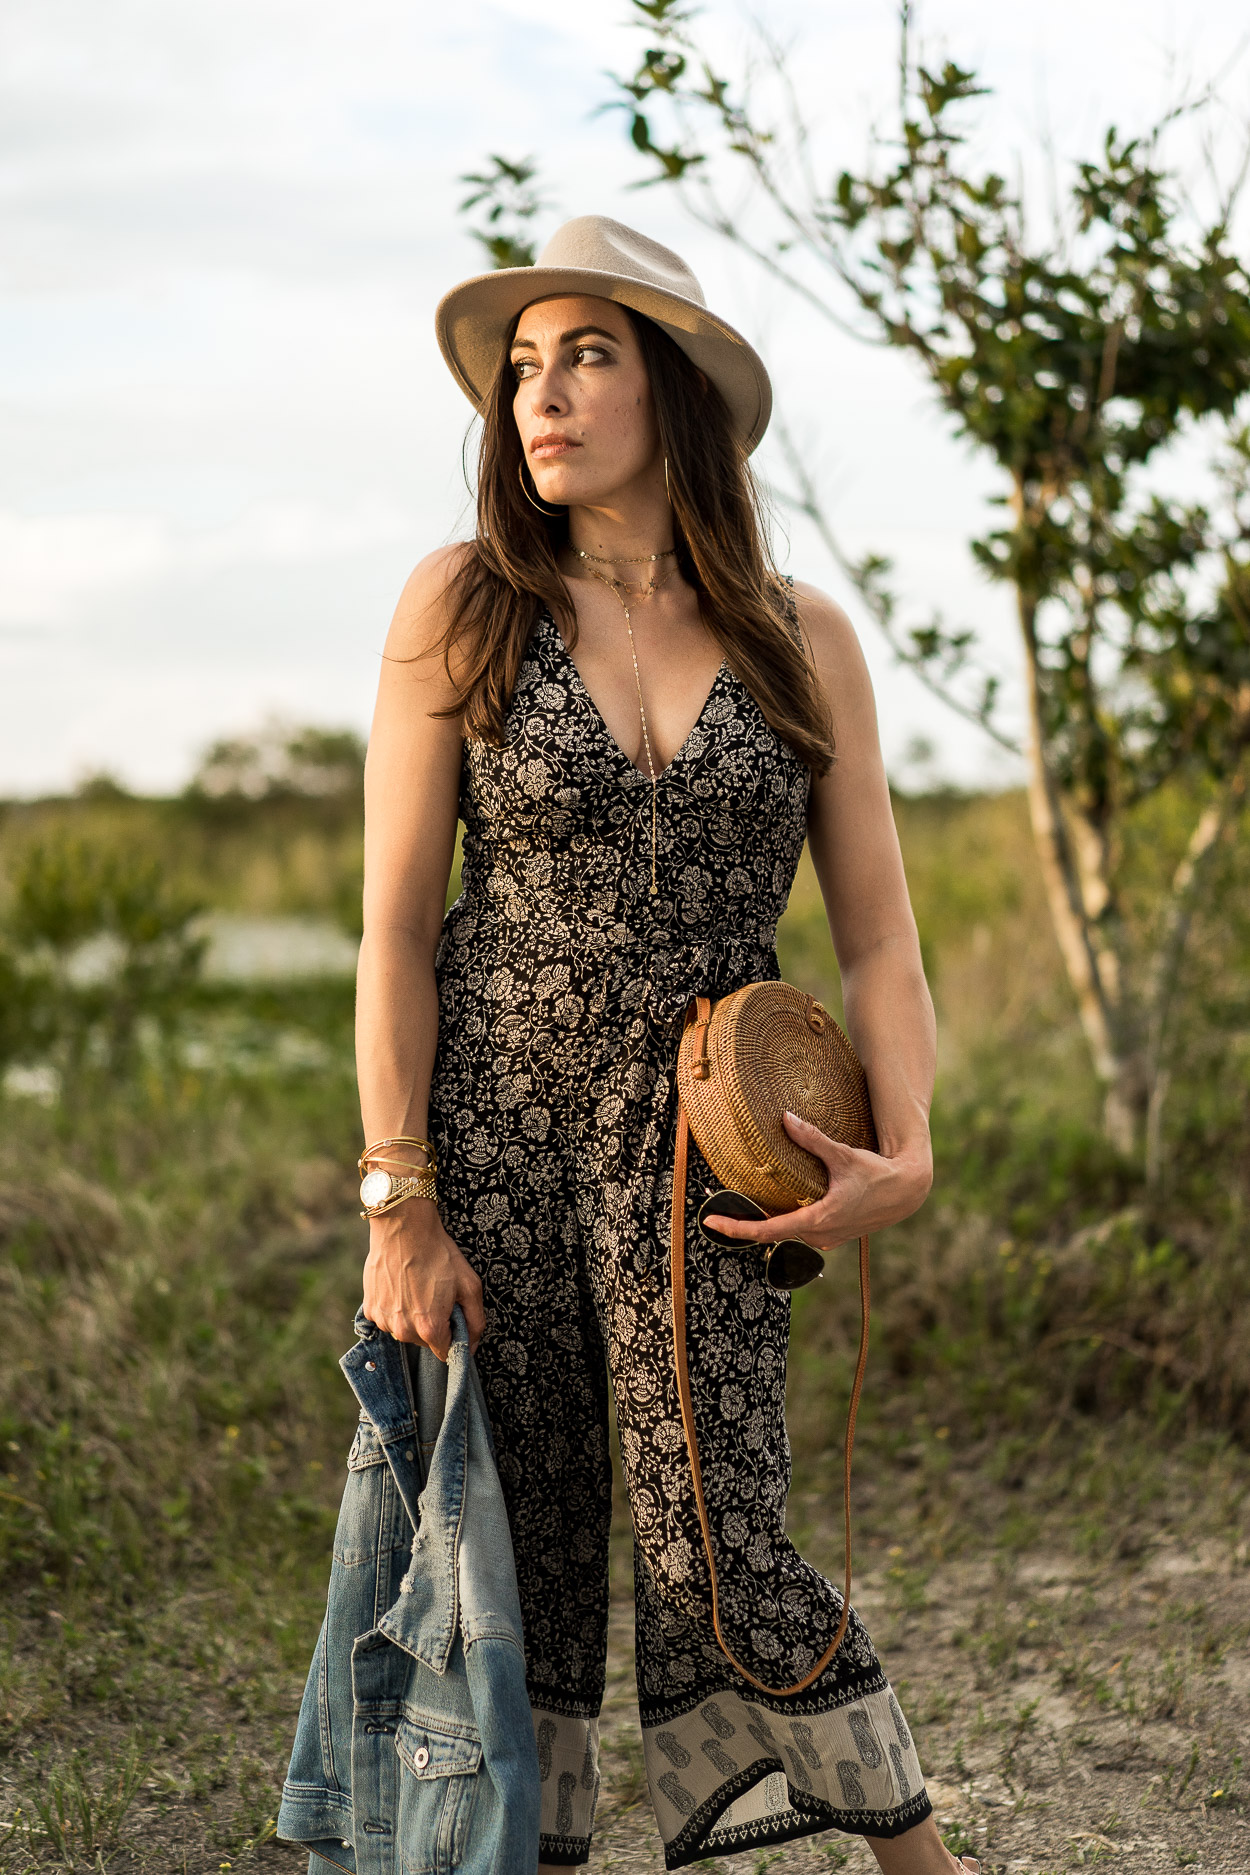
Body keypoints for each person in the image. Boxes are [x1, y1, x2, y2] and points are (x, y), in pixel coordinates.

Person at [354, 216, 977, 1875]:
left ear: (675, 387)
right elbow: (397, 928)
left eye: (586, 355)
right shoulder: (462, 606)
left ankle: (926, 1866)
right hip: (492, 1125)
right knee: (524, 1550)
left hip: (712, 1141)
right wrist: (395, 1198)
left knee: (717, 1536)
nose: (538, 396)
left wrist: (903, 1149)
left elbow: (878, 935)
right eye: (521, 368)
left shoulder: (796, 630)